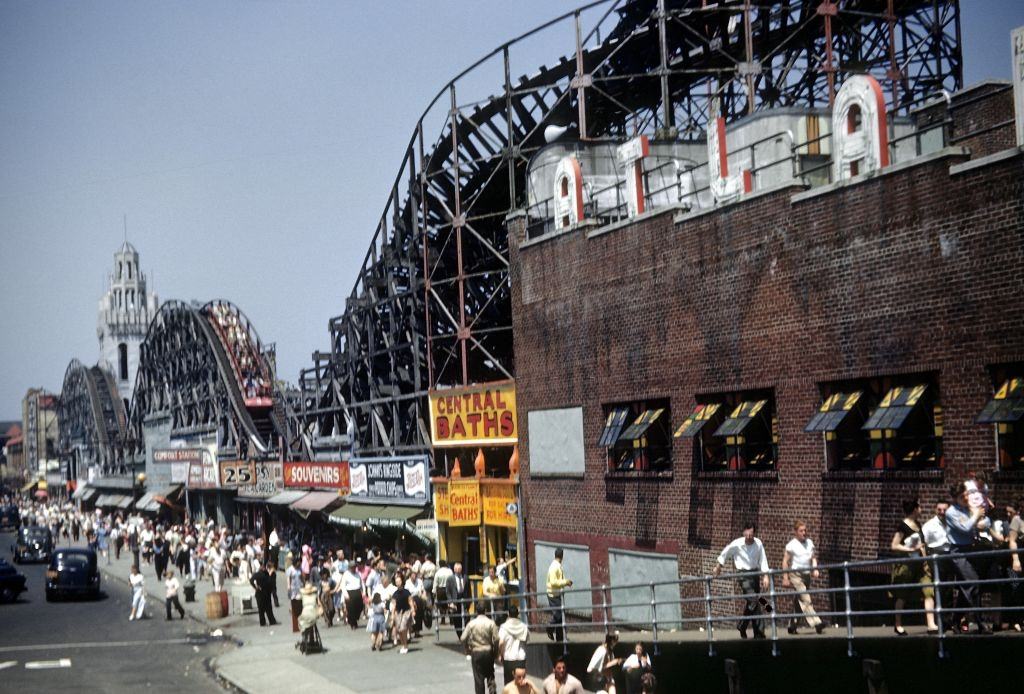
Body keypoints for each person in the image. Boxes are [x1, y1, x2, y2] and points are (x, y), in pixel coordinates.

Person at [887, 499, 938, 635]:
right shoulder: (903, 526)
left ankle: (931, 624)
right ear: (915, 509)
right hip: (907, 565)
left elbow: (921, 544)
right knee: (902, 595)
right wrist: (910, 549)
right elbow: (894, 545)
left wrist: (925, 559)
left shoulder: (918, 524)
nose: (921, 509)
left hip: (921, 564)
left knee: (928, 591)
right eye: (919, 507)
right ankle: (898, 624)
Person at [946, 482, 990, 633]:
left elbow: (986, 520)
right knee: (973, 583)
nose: (966, 498)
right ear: (954, 498)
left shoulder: (968, 508)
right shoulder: (951, 512)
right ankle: (980, 622)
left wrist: (981, 521)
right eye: (961, 496)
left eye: (966, 494)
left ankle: (955, 620)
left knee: (969, 586)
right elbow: (965, 528)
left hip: (971, 550)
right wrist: (975, 517)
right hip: (959, 552)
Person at [713, 522, 770, 639]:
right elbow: (726, 552)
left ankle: (742, 625)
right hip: (743, 575)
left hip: (755, 574)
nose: (749, 535)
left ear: (754, 533)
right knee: (754, 599)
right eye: (747, 533)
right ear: (744, 532)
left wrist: (765, 576)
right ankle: (759, 632)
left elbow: (763, 560)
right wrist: (718, 566)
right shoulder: (737, 544)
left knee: (754, 602)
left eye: (751, 533)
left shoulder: (758, 543)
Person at [782, 520, 824, 634]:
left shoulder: (809, 543)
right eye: (801, 531)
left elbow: (813, 558)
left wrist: (815, 569)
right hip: (795, 575)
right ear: (796, 532)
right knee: (806, 598)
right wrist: (785, 577)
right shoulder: (791, 545)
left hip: (806, 575)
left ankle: (792, 626)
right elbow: (785, 561)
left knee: (799, 601)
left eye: (805, 530)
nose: (804, 533)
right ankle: (816, 622)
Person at [461, 600, 500, 694]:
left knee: (478, 679)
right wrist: (495, 652)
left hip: (476, 651)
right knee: (490, 675)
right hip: (488, 651)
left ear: (476, 611)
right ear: (485, 610)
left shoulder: (471, 624)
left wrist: (467, 649)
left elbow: (463, 638)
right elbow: (496, 639)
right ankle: (492, 690)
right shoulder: (491, 623)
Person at [545, 549, 573, 642]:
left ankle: (560, 638)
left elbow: (559, 578)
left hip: (556, 593)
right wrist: (565, 582)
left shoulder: (557, 566)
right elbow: (553, 582)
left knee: (560, 617)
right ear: (562, 556)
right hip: (553, 594)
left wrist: (566, 582)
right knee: (558, 616)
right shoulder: (555, 567)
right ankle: (550, 628)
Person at [498, 603, 529, 685]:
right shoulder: (524, 626)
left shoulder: (504, 627)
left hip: (508, 658)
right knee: (521, 684)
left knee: (509, 684)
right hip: (521, 658)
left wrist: (501, 654)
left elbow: (500, 643)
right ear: (518, 614)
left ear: (508, 614)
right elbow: (527, 640)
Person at [389, 573, 415, 654]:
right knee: (399, 630)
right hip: (398, 612)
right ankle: (403, 645)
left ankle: (406, 645)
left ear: (402, 582)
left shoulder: (407, 592)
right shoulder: (395, 594)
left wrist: (413, 610)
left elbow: (410, 602)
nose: (398, 583)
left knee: (403, 627)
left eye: (399, 581)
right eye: (396, 582)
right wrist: (393, 615)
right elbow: (393, 605)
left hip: (406, 612)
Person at [446, 561, 470, 639]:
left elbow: (468, 590)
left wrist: (469, 601)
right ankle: (460, 635)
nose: (459, 571)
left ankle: (467, 634)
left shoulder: (465, 577)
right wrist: (450, 602)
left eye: (460, 569)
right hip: (455, 600)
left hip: (464, 599)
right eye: (457, 569)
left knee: (467, 617)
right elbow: (448, 592)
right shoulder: (450, 579)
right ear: (454, 569)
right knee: (457, 619)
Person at [250, 561, 278, 627]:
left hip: (259, 593)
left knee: (261, 609)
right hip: (266, 593)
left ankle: (262, 622)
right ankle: (271, 621)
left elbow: (251, 580)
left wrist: (255, 587)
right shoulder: (266, 574)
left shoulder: (257, 574)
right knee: (268, 608)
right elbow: (270, 582)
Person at [342, 561, 364, 629]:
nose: (354, 568)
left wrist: (364, 591)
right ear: (349, 568)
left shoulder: (358, 574)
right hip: (350, 592)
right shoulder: (346, 574)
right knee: (351, 609)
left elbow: (362, 583)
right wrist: (345, 594)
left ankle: (354, 619)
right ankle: (353, 623)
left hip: (357, 591)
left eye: (355, 567)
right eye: (352, 567)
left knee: (360, 607)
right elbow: (343, 585)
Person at [287, 556, 304, 633]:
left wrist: (305, 585)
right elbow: (288, 580)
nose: (299, 564)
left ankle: (302, 624)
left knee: (301, 606)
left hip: (300, 589)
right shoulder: (290, 570)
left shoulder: (300, 569)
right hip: (293, 590)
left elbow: (302, 578)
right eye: (298, 562)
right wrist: (288, 589)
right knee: (294, 607)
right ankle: (296, 626)